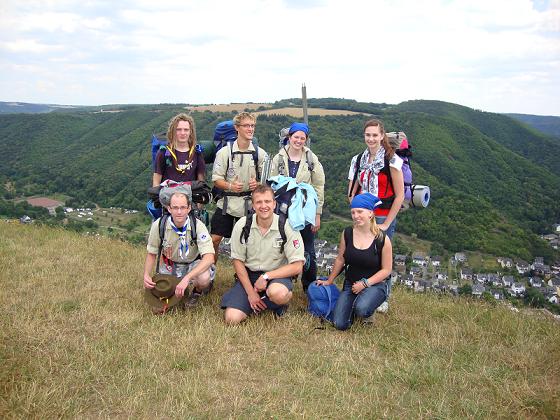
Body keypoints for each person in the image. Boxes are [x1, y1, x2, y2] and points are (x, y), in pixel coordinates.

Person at [221, 185, 305, 325]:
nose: (263, 206)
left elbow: (297, 266)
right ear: (253, 205)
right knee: (232, 319)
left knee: (278, 293)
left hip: (276, 276)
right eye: (259, 202)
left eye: (267, 201)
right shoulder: (242, 225)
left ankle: (278, 303)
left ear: (274, 203)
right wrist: (251, 293)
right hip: (249, 276)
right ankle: (258, 301)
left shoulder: (287, 226)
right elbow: (237, 261)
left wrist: (266, 277)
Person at [347, 118, 403, 312]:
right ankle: (363, 289)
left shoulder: (392, 160)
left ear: (381, 136)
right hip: (364, 216)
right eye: (367, 135)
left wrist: (387, 224)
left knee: (382, 256)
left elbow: (400, 196)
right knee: (363, 252)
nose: (371, 139)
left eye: (374, 135)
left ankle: (383, 297)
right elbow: (353, 190)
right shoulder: (359, 159)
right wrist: (356, 210)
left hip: (382, 215)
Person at [316, 193, 392, 330]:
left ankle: (366, 311)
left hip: (374, 285)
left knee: (362, 308)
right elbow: (341, 259)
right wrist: (330, 280)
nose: (356, 216)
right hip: (351, 285)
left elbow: (386, 270)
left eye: (360, 211)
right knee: (339, 324)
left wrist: (365, 284)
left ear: (370, 213)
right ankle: (355, 309)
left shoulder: (382, 239)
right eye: (353, 212)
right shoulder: (347, 234)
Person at [269, 122, 325, 292]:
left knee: (308, 250)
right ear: (289, 137)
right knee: (280, 247)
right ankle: (279, 283)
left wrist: (317, 214)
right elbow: (271, 183)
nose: (299, 141)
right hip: (282, 209)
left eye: (302, 138)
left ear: (306, 140)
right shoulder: (278, 158)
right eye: (296, 137)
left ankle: (309, 287)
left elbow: (319, 186)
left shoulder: (311, 159)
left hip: (304, 210)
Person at [143, 191, 215, 313]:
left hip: (193, 262)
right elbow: (152, 253)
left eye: (183, 207)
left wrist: (187, 278)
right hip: (170, 264)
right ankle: (177, 287)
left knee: (204, 278)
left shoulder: (198, 226)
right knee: (157, 309)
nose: (179, 212)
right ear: (169, 209)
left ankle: (196, 292)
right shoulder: (159, 225)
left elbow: (209, 258)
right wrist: (146, 274)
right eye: (175, 208)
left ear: (189, 208)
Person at [210, 112, 267, 261]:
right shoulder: (224, 153)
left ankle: (244, 276)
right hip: (226, 204)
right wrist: (230, 185)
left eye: (252, 126)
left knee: (248, 243)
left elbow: (268, 182)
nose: (250, 129)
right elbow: (216, 179)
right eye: (246, 125)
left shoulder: (260, 154)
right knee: (214, 240)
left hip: (249, 205)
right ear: (237, 128)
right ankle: (209, 273)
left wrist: (259, 184)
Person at [153, 113, 206, 186]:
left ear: (191, 132)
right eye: (178, 129)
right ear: (173, 131)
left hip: (190, 194)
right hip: (169, 195)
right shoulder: (164, 152)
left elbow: (201, 181)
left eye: (186, 130)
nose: (182, 133)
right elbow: (156, 181)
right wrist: (156, 196)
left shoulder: (196, 152)